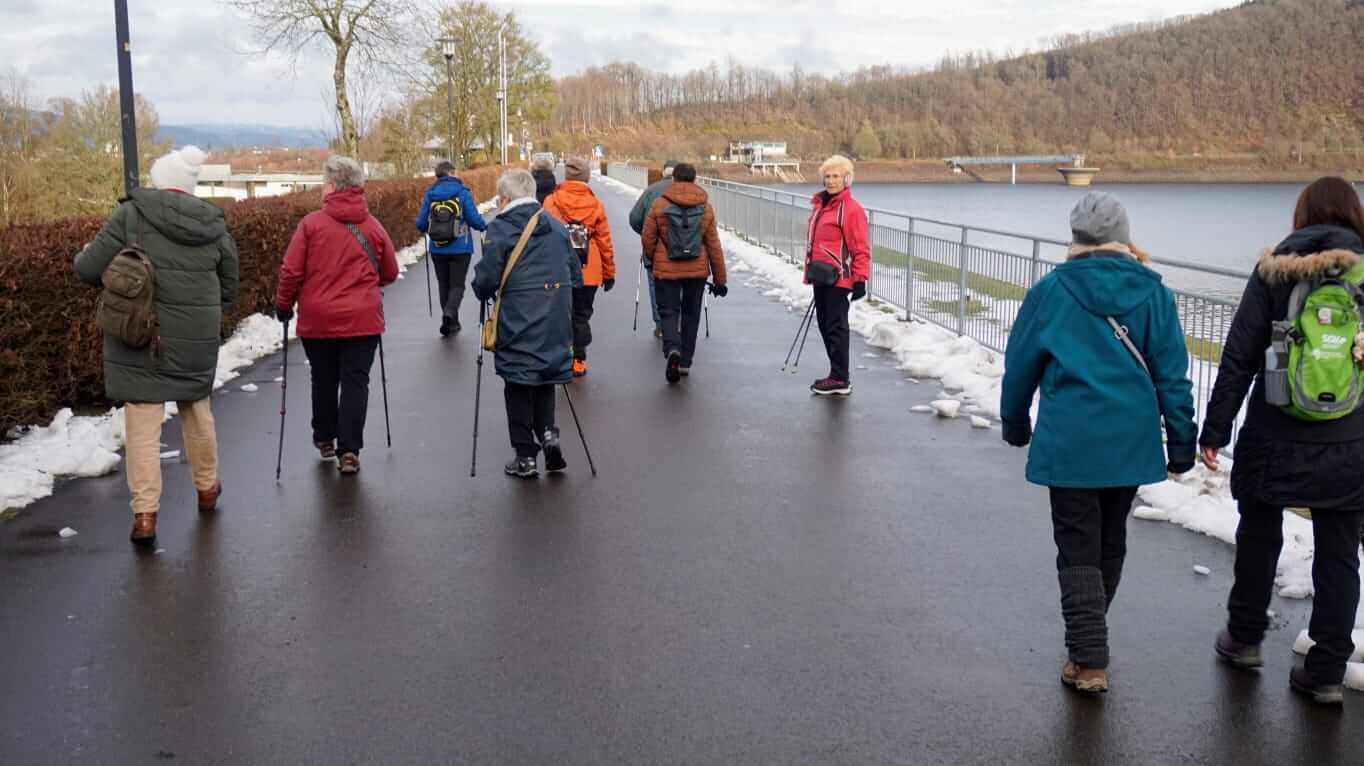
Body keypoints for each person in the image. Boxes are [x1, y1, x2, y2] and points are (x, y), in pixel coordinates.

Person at [1001, 192, 1196, 694]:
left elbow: (1020, 364)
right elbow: (1173, 374)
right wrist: (1182, 440)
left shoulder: (1050, 291)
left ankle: (1088, 658)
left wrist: (1015, 422)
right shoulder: (1154, 294)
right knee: (1110, 539)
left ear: (1076, 237)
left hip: (1070, 440)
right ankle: (1089, 641)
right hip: (1129, 441)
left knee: (1077, 546)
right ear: (1124, 237)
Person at [1199, 177, 1364, 706]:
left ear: (1303, 215)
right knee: (1339, 552)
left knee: (1259, 533)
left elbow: (1240, 354)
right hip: (1350, 438)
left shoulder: (1275, 269)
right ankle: (1326, 671)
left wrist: (1215, 429)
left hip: (1274, 432)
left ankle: (1244, 638)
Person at [73, 146, 239, 544]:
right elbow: (229, 287)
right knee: (196, 411)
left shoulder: (131, 215)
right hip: (195, 337)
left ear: (159, 181)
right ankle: (207, 488)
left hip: (140, 333)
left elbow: (88, 268)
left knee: (143, 425)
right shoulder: (213, 225)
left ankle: (145, 515)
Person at [275, 156, 398, 475]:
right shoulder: (373, 225)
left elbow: (291, 271)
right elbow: (390, 271)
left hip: (319, 319)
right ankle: (350, 450)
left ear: (331, 186)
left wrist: (283, 304)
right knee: (356, 382)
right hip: (363, 319)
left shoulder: (311, 225)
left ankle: (324, 437)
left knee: (323, 378)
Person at [472, 169, 581, 478]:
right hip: (556, 314)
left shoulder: (501, 228)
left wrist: (481, 288)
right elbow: (575, 273)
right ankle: (548, 434)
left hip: (518, 316)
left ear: (505, 198)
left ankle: (525, 457)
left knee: (518, 382)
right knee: (546, 375)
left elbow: (486, 280)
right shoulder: (556, 226)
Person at [640, 162, 728, 383]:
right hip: (696, 272)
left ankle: (672, 349)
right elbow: (713, 245)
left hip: (666, 270)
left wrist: (652, 258)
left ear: (674, 179)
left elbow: (648, 237)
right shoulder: (705, 207)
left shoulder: (659, 204)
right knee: (691, 314)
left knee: (668, 311)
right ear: (695, 179)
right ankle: (685, 362)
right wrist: (720, 279)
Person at [542, 156, 615, 377]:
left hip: (558, 268)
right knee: (581, 315)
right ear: (586, 177)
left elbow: (542, 238)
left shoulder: (550, 202)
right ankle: (579, 360)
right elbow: (604, 241)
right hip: (588, 270)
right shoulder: (596, 205)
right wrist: (609, 273)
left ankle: (563, 354)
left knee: (560, 314)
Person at [804, 155, 870, 396]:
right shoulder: (821, 206)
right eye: (827, 176)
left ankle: (841, 378)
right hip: (821, 275)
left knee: (836, 327)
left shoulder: (851, 210)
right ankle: (836, 373)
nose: (831, 181)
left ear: (847, 179)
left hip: (839, 277)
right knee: (825, 324)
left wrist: (860, 279)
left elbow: (860, 247)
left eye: (836, 176)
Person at [415, 160, 487, 337]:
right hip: (460, 247)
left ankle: (451, 323)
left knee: (444, 284)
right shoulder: (462, 193)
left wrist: (430, 229)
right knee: (457, 285)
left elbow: (420, 223)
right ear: (451, 173)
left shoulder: (430, 194)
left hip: (437, 248)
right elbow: (474, 219)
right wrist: (484, 226)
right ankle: (449, 314)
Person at [629, 159, 678, 338]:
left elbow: (634, 218)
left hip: (655, 249)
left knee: (656, 286)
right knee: (681, 285)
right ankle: (677, 323)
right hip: (684, 251)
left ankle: (661, 325)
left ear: (663, 172)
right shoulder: (688, 191)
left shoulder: (651, 191)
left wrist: (646, 234)